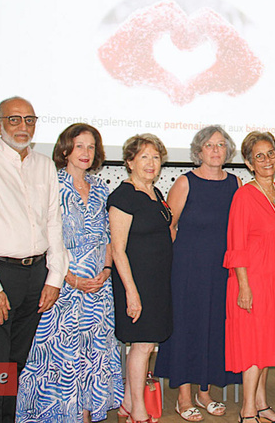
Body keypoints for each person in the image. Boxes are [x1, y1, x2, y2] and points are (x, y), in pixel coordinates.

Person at [0, 96, 69, 423]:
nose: (23, 126)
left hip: (36, 277)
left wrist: (54, 278)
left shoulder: (43, 165)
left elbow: (53, 223)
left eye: (29, 120)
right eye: (14, 119)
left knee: (13, 367)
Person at [16, 124, 123, 422]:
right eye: (79, 146)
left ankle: (86, 415)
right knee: (60, 358)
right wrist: (69, 277)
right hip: (62, 286)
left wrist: (106, 269)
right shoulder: (51, 184)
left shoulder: (101, 187)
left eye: (91, 147)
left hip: (98, 289)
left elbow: (107, 236)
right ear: (65, 150)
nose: (86, 152)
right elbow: (44, 236)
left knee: (93, 355)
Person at [154, 126, 242, 421]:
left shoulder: (235, 182)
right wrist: (178, 264)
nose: (216, 150)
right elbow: (169, 226)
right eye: (209, 145)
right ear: (198, 151)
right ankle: (183, 396)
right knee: (187, 328)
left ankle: (204, 393)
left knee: (213, 328)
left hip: (222, 271)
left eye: (221, 145)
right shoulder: (185, 182)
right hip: (188, 271)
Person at [224, 131, 275, 423]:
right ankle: (247, 411)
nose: (267, 160)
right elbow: (236, 245)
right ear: (248, 163)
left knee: (267, 345)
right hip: (253, 282)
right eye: (259, 156)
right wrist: (244, 287)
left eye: (271, 153)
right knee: (254, 347)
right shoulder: (243, 196)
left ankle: (262, 405)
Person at [108, 134, 174, 423]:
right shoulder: (123, 197)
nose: (151, 163)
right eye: (144, 157)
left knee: (146, 344)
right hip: (136, 282)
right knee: (142, 346)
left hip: (157, 282)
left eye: (156, 157)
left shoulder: (155, 192)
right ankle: (138, 412)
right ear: (129, 162)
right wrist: (131, 293)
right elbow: (117, 250)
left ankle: (127, 403)